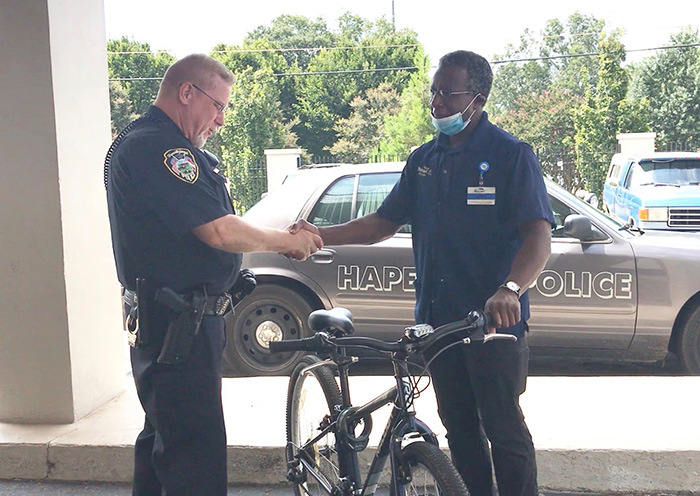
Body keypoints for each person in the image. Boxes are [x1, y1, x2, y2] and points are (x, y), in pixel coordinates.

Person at [292, 50, 554, 495]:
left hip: (492, 325)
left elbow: (538, 236)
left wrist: (511, 288)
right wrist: (321, 234)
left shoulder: (510, 155)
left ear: (478, 97)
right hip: (438, 322)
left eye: (448, 94)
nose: (437, 102)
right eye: (433, 91)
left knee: (504, 430)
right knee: (460, 430)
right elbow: (382, 223)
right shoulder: (423, 160)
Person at [105, 53, 322, 496]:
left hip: (173, 323)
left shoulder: (152, 143)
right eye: (218, 105)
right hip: (176, 327)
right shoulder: (160, 149)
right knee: (194, 459)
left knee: (164, 446)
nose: (221, 120)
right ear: (187, 92)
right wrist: (288, 241)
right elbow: (220, 232)